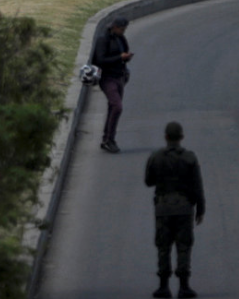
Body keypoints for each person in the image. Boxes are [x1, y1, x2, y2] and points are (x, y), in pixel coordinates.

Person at [145, 121, 206, 299]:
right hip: (184, 208)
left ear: (166, 137)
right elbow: (197, 186)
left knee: (163, 246)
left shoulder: (156, 157)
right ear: (181, 137)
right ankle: (184, 286)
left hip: (163, 208)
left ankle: (163, 286)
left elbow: (148, 181)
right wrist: (201, 209)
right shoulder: (190, 158)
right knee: (184, 246)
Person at [92, 17, 132, 153]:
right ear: (114, 27)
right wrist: (119, 58)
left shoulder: (121, 39)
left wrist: (126, 59)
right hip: (107, 78)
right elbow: (100, 59)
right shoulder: (103, 39)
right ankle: (109, 139)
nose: (123, 31)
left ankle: (108, 139)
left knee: (113, 107)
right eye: (121, 29)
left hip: (119, 76)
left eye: (124, 29)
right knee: (117, 106)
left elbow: (123, 53)